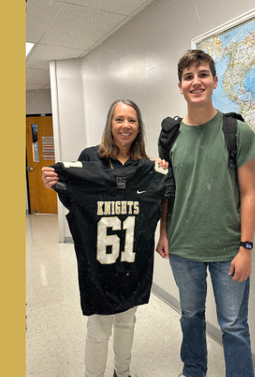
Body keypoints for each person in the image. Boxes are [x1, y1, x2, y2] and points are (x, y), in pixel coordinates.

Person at [41, 100, 169, 377]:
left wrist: (160, 170)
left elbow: (162, 199)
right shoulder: (90, 158)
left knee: (127, 321)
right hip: (98, 263)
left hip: (133, 261)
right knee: (99, 327)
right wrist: (55, 181)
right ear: (110, 124)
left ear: (139, 127)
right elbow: (78, 203)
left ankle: (122, 373)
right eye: (119, 119)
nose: (126, 126)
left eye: (132, 120)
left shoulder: (147, 167)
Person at [156, 49, 255, 377]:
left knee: (233, 325)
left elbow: (249, 194)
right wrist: (163, 232)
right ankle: (193, 371)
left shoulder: (237, 132)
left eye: (203, 74)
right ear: (180, 86)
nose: (196, 81)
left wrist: (246, 248)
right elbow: (167, 191)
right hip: (182, 248)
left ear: (215, 81)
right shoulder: (171, 137)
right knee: (190, 316)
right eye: (188, 77)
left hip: (228, 250)